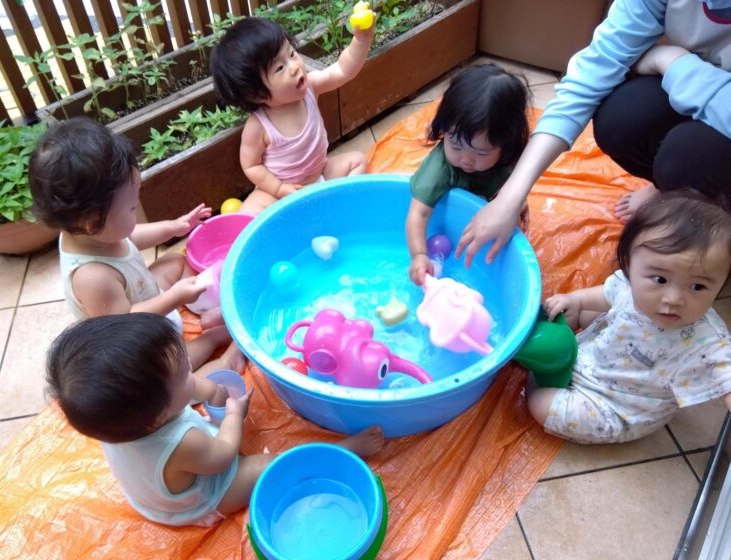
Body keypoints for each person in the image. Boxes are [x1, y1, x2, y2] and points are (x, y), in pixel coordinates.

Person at [457, 0, 731, 268]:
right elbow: (597, 68)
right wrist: (511, 195)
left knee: (684, 156)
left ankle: (717, 234)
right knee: (624, 116)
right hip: (705, 78)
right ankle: (669, 188)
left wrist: (674, 64)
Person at [46, 313, 385, 526]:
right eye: (183, 374)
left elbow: (189, 389)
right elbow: (224, 456)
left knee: (204, 383)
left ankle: (228, 357)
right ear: (158, 417)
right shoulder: (183, 443)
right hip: (204, 496)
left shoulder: (119, 420)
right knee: (263, 466)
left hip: (161, 473)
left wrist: (204, 390)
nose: (189, 373)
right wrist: (233, 416)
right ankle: (343, 451)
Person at [528, 194, 731, 444]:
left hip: (617, 408)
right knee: (577, 311)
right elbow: (605, 293)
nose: (674, 298)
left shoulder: (709, 342)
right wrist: (574, 300)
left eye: (698, 286)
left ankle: (548, 383)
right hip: (592, 358)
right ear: (629, 264)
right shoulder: (628, 285)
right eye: (660, 280)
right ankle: (556, 357)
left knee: (539, 403)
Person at [30, 117, 229, 371]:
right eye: (132, 207)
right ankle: (211, 337)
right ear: (94, 223)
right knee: (169, 368)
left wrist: (175, 227)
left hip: (147, 295)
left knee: (175, 260)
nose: (136, 212)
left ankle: (199, 303)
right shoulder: (92, 277)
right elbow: (125, 322)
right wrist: (173, 296)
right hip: (137, 335)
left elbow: (132, 236)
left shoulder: (90, 232)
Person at [210, 17, 373, 215]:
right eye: (280, 68)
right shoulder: (259, 126)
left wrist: (361, 41)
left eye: (292, 54)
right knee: (246, 215)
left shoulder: (311, 88)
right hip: (279, 193)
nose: (295, 66)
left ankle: (338, 206)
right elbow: (252, 165)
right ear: (257, 93)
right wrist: (278, 188)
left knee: (357, 161)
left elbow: (342, 70)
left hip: (319, 175)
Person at [405, 64, 530, 285]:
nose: (466, 159)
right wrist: (419, 255)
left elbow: (516, 180)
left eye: (480, 152)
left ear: (506, 144)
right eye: (455, 144)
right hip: (454, 211)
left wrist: (516, 200)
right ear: (443, 130)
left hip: (487, 197)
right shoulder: (440, 168)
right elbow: (418, 214)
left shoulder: (510, 157)